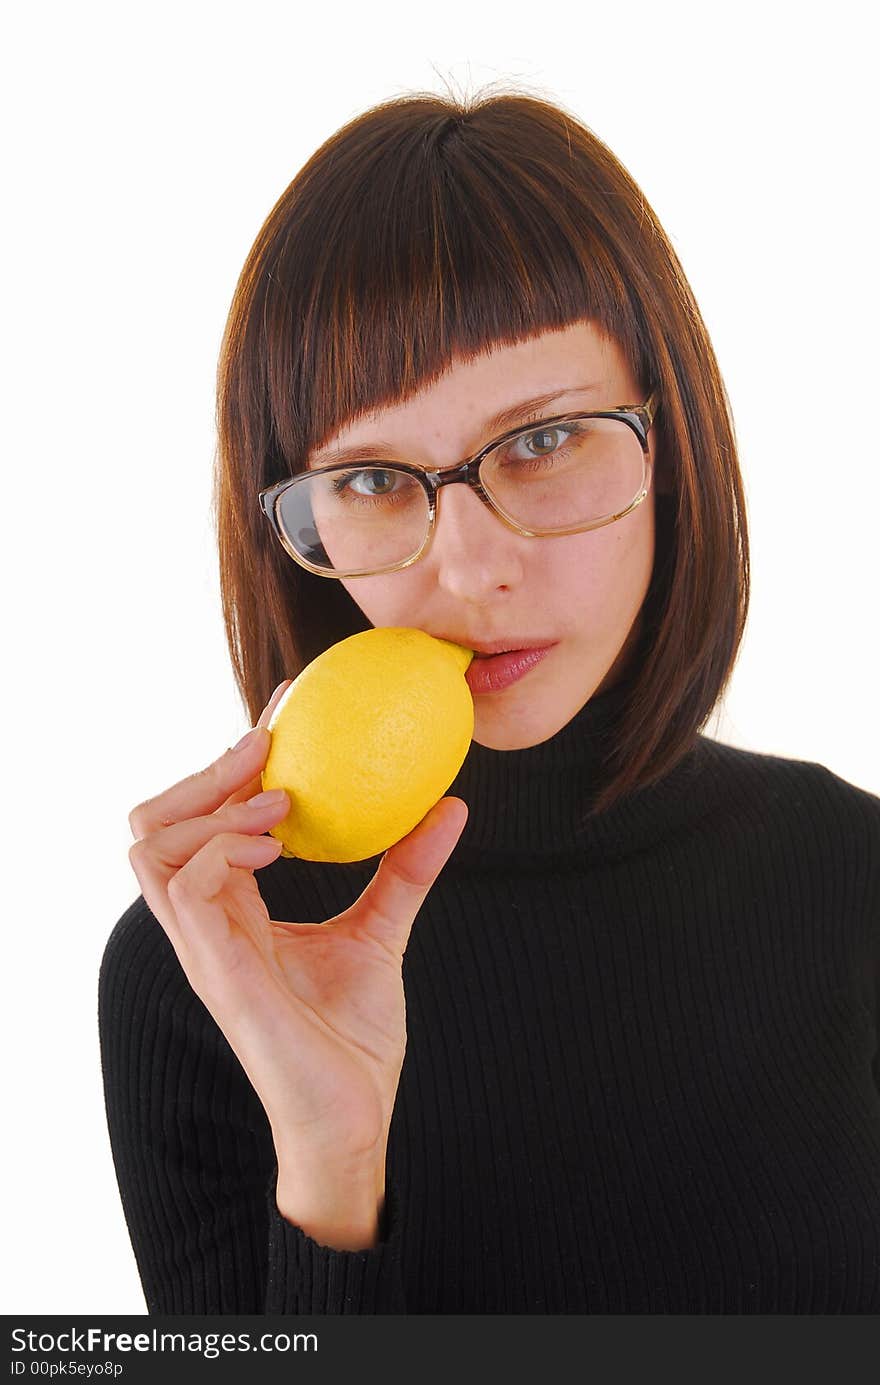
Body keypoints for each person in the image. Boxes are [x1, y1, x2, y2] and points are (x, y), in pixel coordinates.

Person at [98, 87, 880, 1315]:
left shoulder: (856, 885)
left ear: (664, 444)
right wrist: (333, 1163)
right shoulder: (212, 970)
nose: (466, 569)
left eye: (543, 441)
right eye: (369, 476)